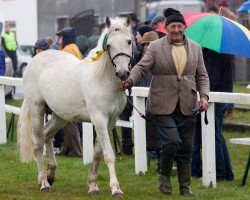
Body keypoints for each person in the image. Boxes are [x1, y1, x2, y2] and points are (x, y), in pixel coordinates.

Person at [120, 8, 209, 196]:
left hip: (187, 103)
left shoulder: (195, 47)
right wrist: (129, 81)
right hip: (162, 103)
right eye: (172, 26)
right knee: (171, 142)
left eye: (179, 26)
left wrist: (204, 97)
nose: (176, 29)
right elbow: (141, 68)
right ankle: (165, 177)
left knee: (186, 146)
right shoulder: (155, 47)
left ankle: (185, 187)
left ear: (185, 27)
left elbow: (202, 75)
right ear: (166, 28)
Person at [191, 48, 235, 181]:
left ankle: (219, 173)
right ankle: (227, 173)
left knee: (213, 137)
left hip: (214, 99)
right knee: (217, 136)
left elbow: (211, 79)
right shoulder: (220, 52)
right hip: (221, 97)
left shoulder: (214, 53)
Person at [119, 25, 154, 155]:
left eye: (149, 44)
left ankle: (152, 151)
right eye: (144, 45)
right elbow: (136, 71)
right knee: (126, 115)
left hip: (151, 96)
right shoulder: (138, 56)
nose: (146, 47)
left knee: (150, 123)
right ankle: (128, 147)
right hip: (135, 94)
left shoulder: (158, 58)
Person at [56, 27, 82, 157]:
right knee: (65, 120)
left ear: (66, 37)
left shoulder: (68, 50)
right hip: (74, 88)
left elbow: (65, 70)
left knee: (69, 120)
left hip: (69, 89)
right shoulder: (74, 48)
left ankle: (76, 150)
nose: (59, 40)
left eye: (61, 37)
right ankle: (67, 149)